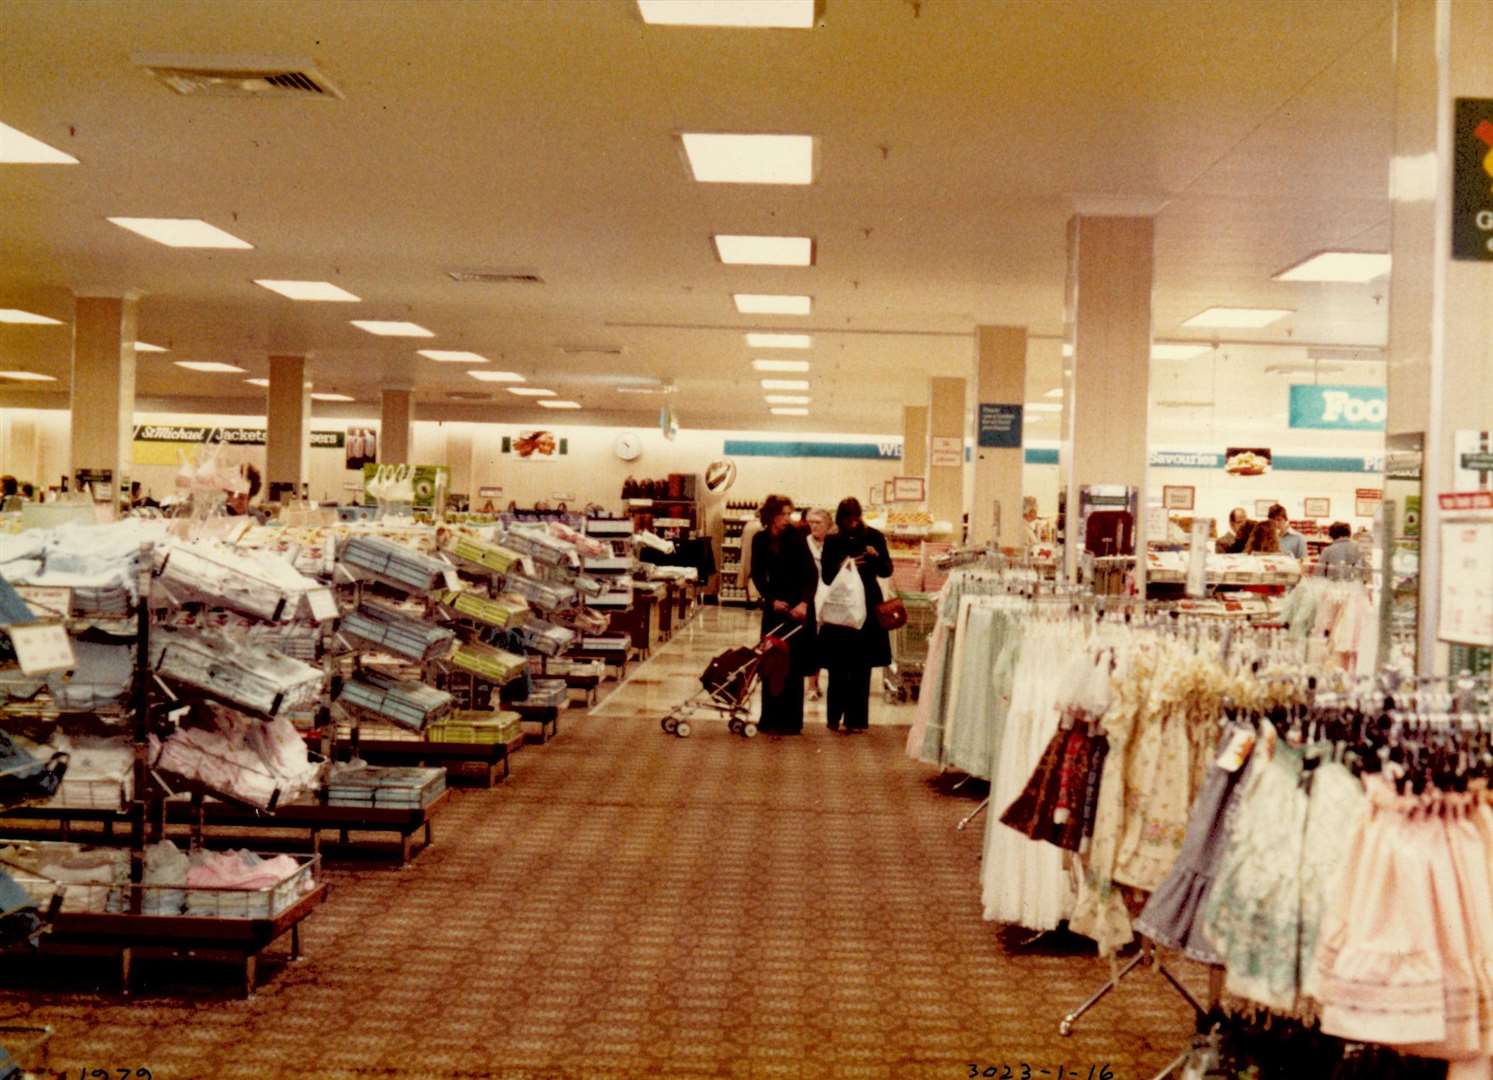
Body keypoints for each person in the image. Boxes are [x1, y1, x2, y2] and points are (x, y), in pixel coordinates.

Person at [818, 497, 893, 734]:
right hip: (842, 607)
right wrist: (844, 565)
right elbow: (828, 577)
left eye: (855, 518)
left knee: (862, 666)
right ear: (840, 519)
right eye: (847, 519)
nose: (852, 523)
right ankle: (833, 717)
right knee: (839, 666)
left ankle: (857, 720)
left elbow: (886, 570)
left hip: (868, 605)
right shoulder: (832, 540)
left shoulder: (874, 537)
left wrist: (875, 556)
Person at [748, 495, 816, 735]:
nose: (788, 519)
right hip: (775, 608)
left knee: (793, 665)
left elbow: (811, 573)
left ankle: (791, 722)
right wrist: (770, 600)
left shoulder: (796, 538)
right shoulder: (759, 539)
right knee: (771, 661)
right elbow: (756, 574)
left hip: (797, 608)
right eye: (783, 514)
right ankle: (769, 718)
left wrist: (805, 604)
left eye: (790, 514)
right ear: (771, 515)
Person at [802, 508, 831, 702]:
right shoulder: (803, 544)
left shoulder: (833, 544)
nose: (813, 526)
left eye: (818, 522)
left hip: (830, 596)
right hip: (810, 597)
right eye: (811, 522)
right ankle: (811, 684)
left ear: (828, 525)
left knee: (824, 642)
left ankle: (817, 681)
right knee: (812, 641)